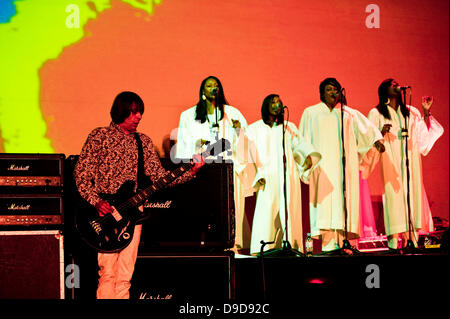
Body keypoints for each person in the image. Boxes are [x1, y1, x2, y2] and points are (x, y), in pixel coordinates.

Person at [74, 91, 203, 299]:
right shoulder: (99, 136)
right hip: (105, 212)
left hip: (132, 211)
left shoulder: (142, 141)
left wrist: (192, 172)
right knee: (107, 272)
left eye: (140, 112)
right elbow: (81, 176)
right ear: (120, 111)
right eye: (134, 112)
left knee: (125, 274)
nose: (139, 117)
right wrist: (96, 202)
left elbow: (160, 178)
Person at [298, 78, 384, 252]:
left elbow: (368, 132)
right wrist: (306, 159)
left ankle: (344, 246)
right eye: (328, 89)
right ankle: (329, 248)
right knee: (325, 209)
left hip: (345, 170)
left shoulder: (348, 114)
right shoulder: (311, 113)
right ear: (321, 93)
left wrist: (375, 141)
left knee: (344, 204)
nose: (332, 92)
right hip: (323, 170)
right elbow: (302, 140)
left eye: (335, 89)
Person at [364, 79, 443, 249]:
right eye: (392, 83)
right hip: (390, 161)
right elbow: (369, 138)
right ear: (385, 90)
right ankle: (393, 244)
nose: (396, 85)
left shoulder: (411, 111)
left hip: (411, 161)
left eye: (397, 83)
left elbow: (423, 141)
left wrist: (426, 112)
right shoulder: (376, 113)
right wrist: (380, 133)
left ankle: (412, 242)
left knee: (412, 197)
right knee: (394, 199)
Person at [175, 76, 249, 252]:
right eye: (209, 85)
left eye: (216, 85)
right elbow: (183, 143)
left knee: (228, 208)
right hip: (202, 169)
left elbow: (246, 141)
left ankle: (231, 247)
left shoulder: (233, 114)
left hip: (227, 169)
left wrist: (238, 130)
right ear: (202, 90)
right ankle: (201, 245)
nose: (213, 88)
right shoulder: (188, 115)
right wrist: (196, 148)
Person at [245, 94, 321, 254]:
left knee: (289, 209)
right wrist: (256, 175)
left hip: (288, 174)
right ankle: (262, 246)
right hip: (267, 175)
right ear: (266, 106)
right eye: (273, 102)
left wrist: (307, 159)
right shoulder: (254, 129)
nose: (277, 104)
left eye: (279, 102)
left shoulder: (289, 127)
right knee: (266, 212)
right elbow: (244, 153)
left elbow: (300, 146)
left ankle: (291, 244)